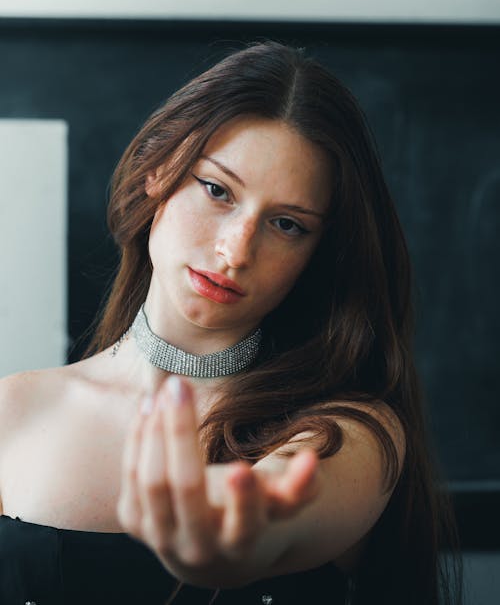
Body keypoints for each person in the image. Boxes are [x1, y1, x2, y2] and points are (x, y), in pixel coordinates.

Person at [0, 41, 461, 604]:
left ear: (319, 253)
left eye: (288, 225)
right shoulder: (12, 412)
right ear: (158, 170)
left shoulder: (349, 432)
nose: (235, 251)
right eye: (218, 191)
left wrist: (230, 535)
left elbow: (279, 508)